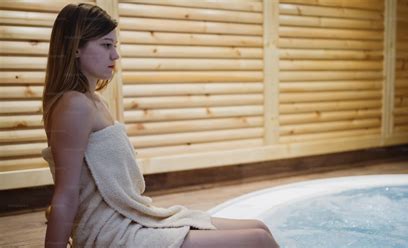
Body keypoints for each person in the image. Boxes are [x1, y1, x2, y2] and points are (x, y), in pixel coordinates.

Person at [42, 3, 279, 248]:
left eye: (115, 45)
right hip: (111, 233)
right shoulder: (73, 106)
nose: (115, 55)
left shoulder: (95, 102)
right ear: (76, 48)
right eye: (105, 45)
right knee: (258, 240)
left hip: (134, 217)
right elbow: (65, 194)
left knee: (260, 227)